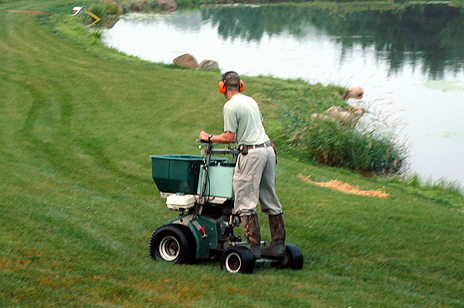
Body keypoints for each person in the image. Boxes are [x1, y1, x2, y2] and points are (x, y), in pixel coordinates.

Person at [199, 71, 286, 259]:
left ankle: (252, 246)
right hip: (268, 150)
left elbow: (229, 137)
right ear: (241, 85)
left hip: (252, 153)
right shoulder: (251, 101)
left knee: (245, 200)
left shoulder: (230, 106)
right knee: (269, 197)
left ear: (222, 87)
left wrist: (209, 137)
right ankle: (278, 245)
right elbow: (260, 126)